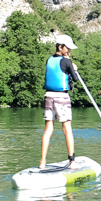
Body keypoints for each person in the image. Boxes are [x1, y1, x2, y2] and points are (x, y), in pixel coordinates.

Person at [40, 34, 79, 169]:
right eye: (67, 48)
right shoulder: (67, 62)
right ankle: (72, 162)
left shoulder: (49, 60)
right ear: (60, 46)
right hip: (62, 97)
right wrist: (74, 68)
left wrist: (68, 61)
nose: (69, 51)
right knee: (67, 129)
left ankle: (42, 162)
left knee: (48, 129)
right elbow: (75, 79)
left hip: (48, 96)